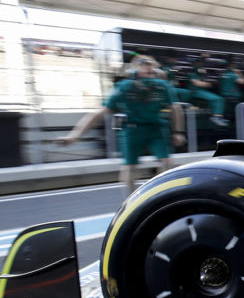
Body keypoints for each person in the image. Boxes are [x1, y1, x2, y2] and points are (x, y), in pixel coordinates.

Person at [58, 54, 185, 195]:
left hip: (156, 128)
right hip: (132, 129)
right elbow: (99, 113)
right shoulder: (125, 87)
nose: (149, 68)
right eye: (144, 65)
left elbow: (176, 109)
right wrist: (74, 136)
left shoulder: (163, 87)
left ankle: (162, 194)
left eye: (152, 66)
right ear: (134, 71)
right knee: (129, 166)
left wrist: (178, 132)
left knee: (166, 162)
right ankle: (131, 200)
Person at [187, 53, 229, 126]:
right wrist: (211, 84)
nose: (201, 64)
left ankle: (216, 115)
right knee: (218, 99)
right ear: (195, 63)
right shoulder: (192, 73)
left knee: (214, 99)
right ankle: (216, 117)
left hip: (201, 91)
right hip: (195, 91)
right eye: (199, 62)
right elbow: (197, 84)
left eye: (201, 62)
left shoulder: (200, 72)